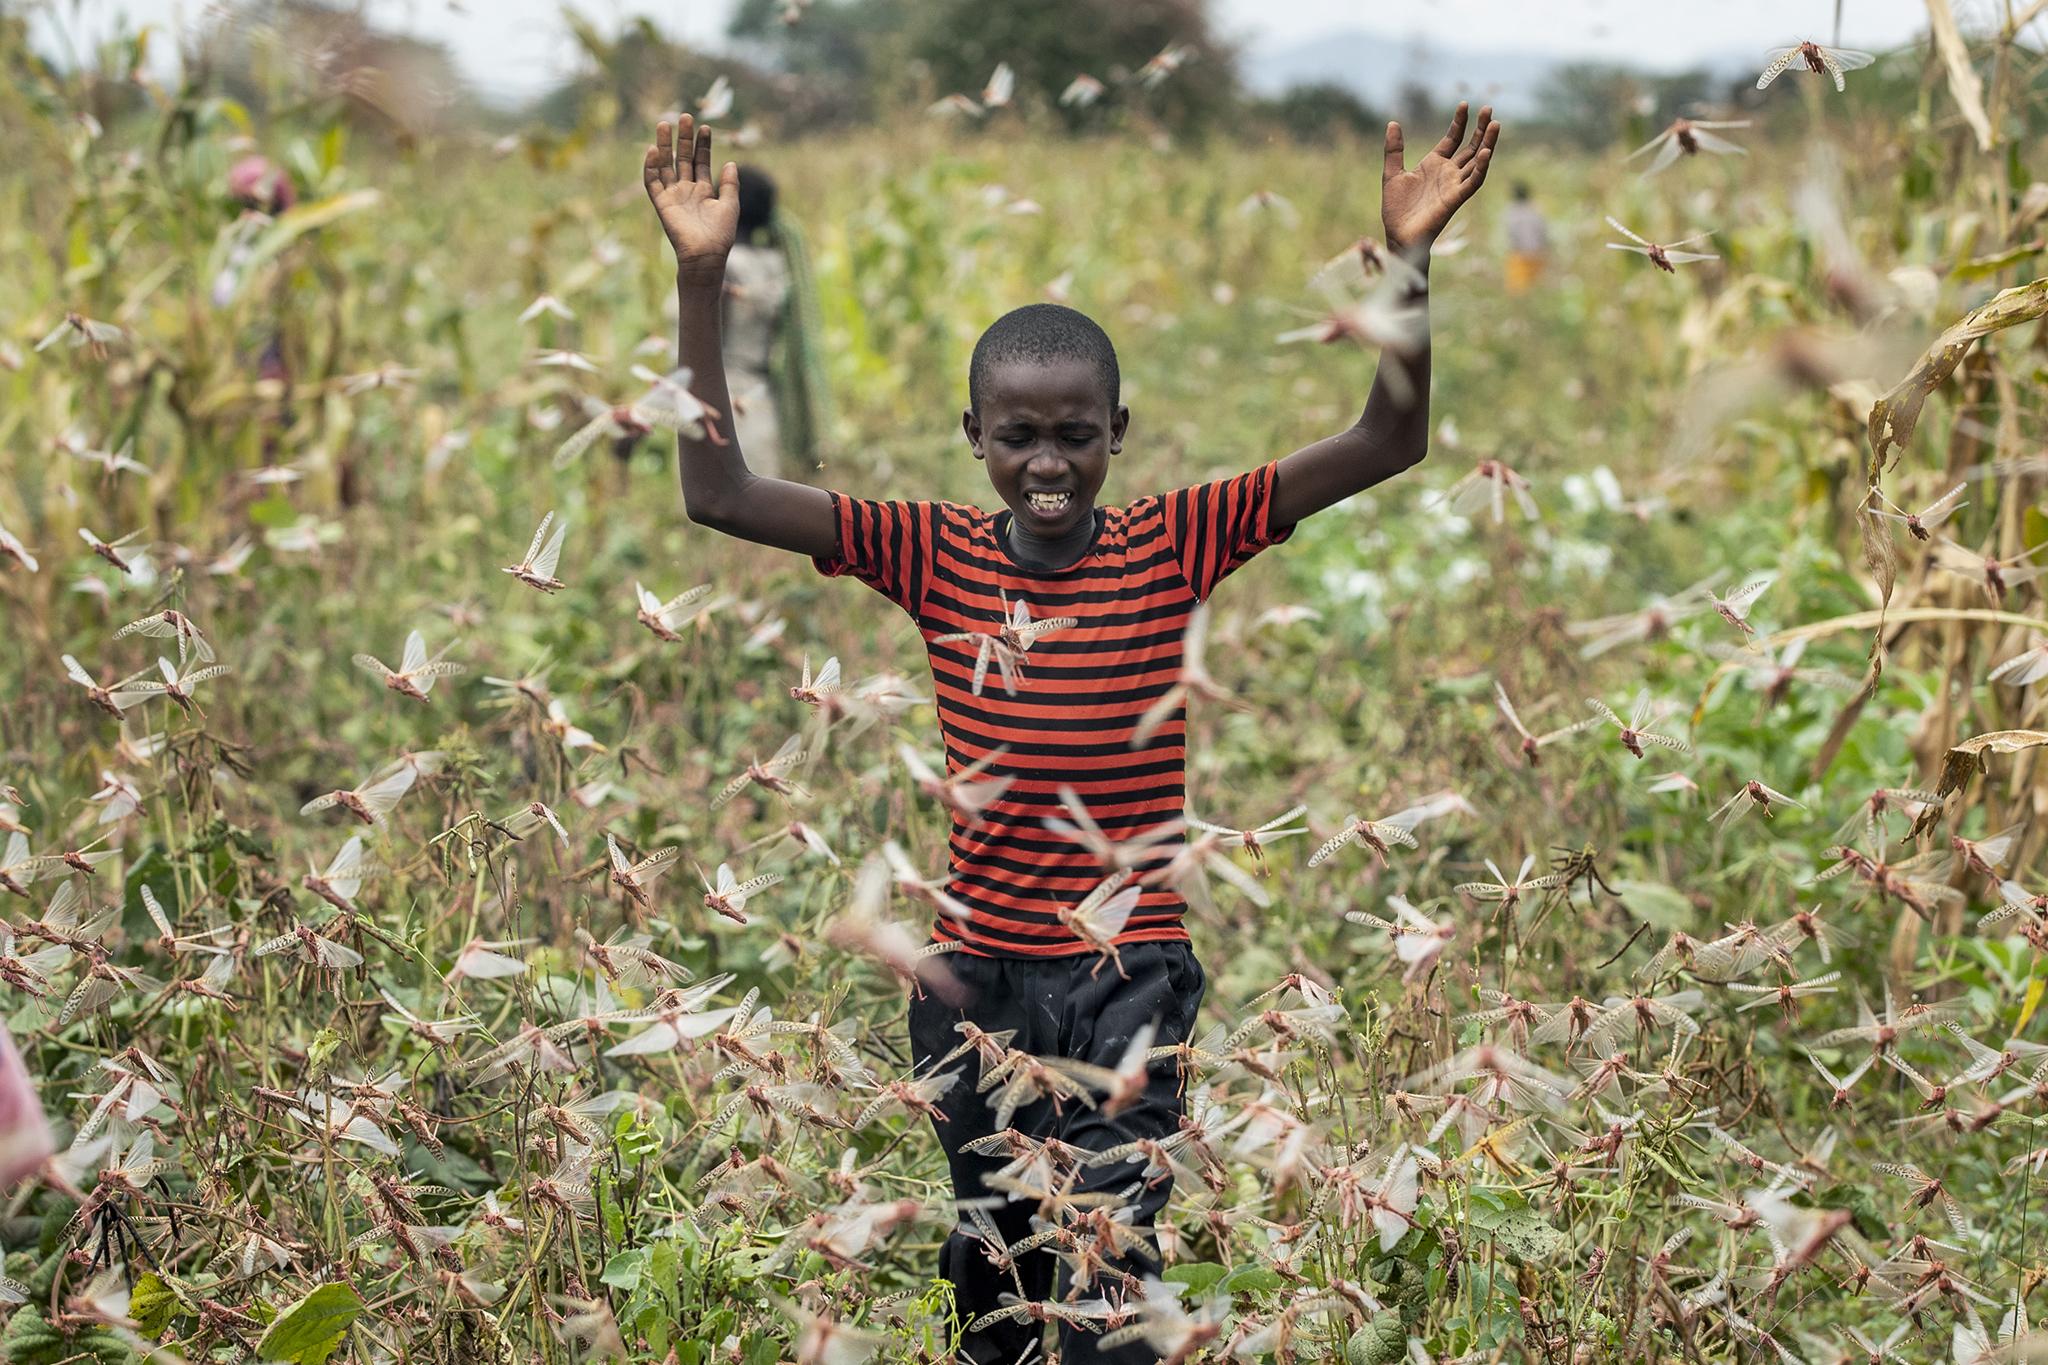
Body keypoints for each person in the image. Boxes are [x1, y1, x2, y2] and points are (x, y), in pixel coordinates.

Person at [642, 103, 1499, 1364]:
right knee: (995, 1277)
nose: (1048, 462)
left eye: (1074, 434)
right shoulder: (925, 550)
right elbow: (715, 493)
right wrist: (700, 279)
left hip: (1127, 981)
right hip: (971, 982)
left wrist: (1407, 262)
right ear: (974, 439)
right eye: (1019, 435)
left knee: (1107, 1277)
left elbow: (1391, 438)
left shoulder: (1177, 538)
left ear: (1117, 435)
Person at [720, 164, 831, 478]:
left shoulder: (723, 268)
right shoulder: (776, 263)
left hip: (724, 398)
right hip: (761, 396)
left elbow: (708, 344)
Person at [1503, 180, 1549, 295]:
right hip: (1537, 254)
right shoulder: (1536, 210)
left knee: (1519, 292)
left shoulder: (1510, 212)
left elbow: (1511, 235)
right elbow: (1543, 232)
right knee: (1538, 290)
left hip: (1519, 256)